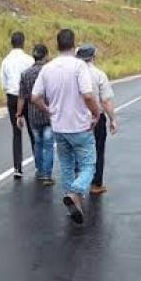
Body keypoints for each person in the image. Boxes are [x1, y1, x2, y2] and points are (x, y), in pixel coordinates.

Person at [31, 28, 101, 224]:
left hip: (59, 127)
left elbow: (35, 97)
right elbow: (88, 95)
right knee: (88, 165)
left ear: (57, 45)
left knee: (67, 165)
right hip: (80, 125)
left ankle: (73, 203)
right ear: (74, 44)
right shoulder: (79, 66)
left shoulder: (47, 68)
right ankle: (76, 192)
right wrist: (96, 113)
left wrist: (47, 110)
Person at [75, 44, 118, 195]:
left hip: (76, 117)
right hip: (96, 117)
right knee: (98, 150)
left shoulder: (72, 74)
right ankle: (96, 183)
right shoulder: (99, 74)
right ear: (93, 57)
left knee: (77, 150)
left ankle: (77, 182)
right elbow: (105, 100)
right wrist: (112, 119)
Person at [16, 44, 54, 185]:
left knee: (38, 143)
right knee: (48, 145)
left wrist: (19, 114)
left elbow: (21, 97)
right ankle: (47, 175)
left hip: (33, 115)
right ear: (46, 56)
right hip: (48, 113)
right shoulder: (49, 71)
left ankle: (39, 170)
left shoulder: (25, 74)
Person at [0, 31, 35, 178]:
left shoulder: (5, 61)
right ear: (23, 43)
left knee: (16, 132)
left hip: (12, 98)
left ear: (11, 43)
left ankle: (17, 168)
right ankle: (39, 164)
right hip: (28, 97)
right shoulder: (29, 60)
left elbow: (3, 84)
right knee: (32, 130)